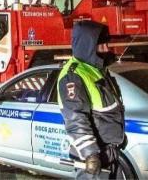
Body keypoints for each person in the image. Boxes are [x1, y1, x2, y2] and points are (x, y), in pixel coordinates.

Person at [58, 21, 125, 179]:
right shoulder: (73, 75)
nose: (106, 49)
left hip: (107, 153)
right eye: (101, 46)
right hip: (92, 158)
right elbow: (76, 118)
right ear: (88, 46)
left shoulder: (96, 70)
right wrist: (90, 154)